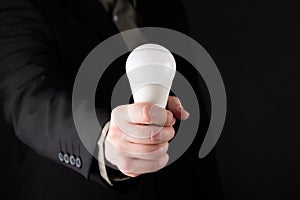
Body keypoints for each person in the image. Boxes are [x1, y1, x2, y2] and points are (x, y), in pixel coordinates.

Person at [0, 0, 223, 199]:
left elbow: (192, 115)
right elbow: (31, 98)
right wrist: (102, 140)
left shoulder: (166, 9)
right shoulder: (28, 6)